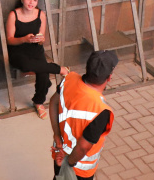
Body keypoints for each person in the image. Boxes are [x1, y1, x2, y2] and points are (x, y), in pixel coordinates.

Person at [49, 50, 117, 180]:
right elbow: (83, 146)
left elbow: (53, 102)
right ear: (109, 77)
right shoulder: (101, 110)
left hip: (59, 152)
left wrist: (57, 135)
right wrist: (68, 163)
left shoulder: (69, 79)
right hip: (78, 169)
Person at [6, 0, 68, 118]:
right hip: (18, 50)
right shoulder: (14, 14)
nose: (31, 2)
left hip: (35, 48)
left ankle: (38, 102)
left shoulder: (41, 14)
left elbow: (42, 38)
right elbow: (10, 40)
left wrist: (39, 39)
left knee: (43, 75)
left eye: (35, 0)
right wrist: (24, 39)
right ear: (22, 0)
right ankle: (60, 69)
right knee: (27, 66)